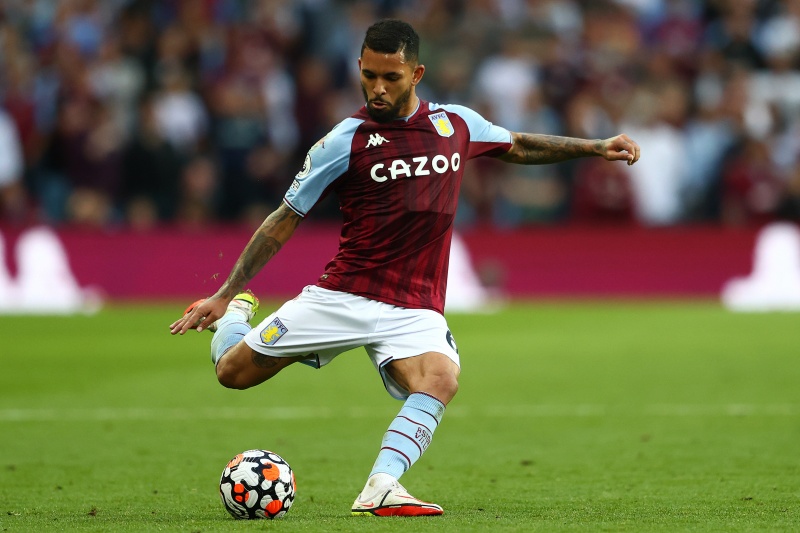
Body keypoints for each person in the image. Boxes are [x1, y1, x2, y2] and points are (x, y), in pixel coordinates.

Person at [169, 19, 640, 517]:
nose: (377, 87)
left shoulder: (455, 124)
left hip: (414, 306)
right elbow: (284, 218)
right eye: (369, 75)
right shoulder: (343, 141)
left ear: (416, 74)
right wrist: (227, 292)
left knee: (440, 378)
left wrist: (594, 147)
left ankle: (382, 484)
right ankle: (235, 316)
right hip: (344, 296)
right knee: (232, 373)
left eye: (390, 78)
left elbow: (518, 144)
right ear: (359, 68)